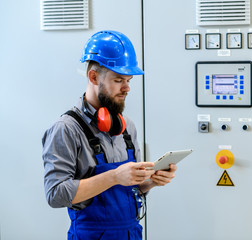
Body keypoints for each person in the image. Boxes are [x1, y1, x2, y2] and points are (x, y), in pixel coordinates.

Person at [42, 30, 177, 240]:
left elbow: (131, 190)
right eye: (118, 80)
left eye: (129, 80)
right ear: (93, 77)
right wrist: (114, 177)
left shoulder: (127, 127)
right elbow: (55, 195)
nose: (126, 88)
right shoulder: (66, 128)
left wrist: (151, 181)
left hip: (131, 233)